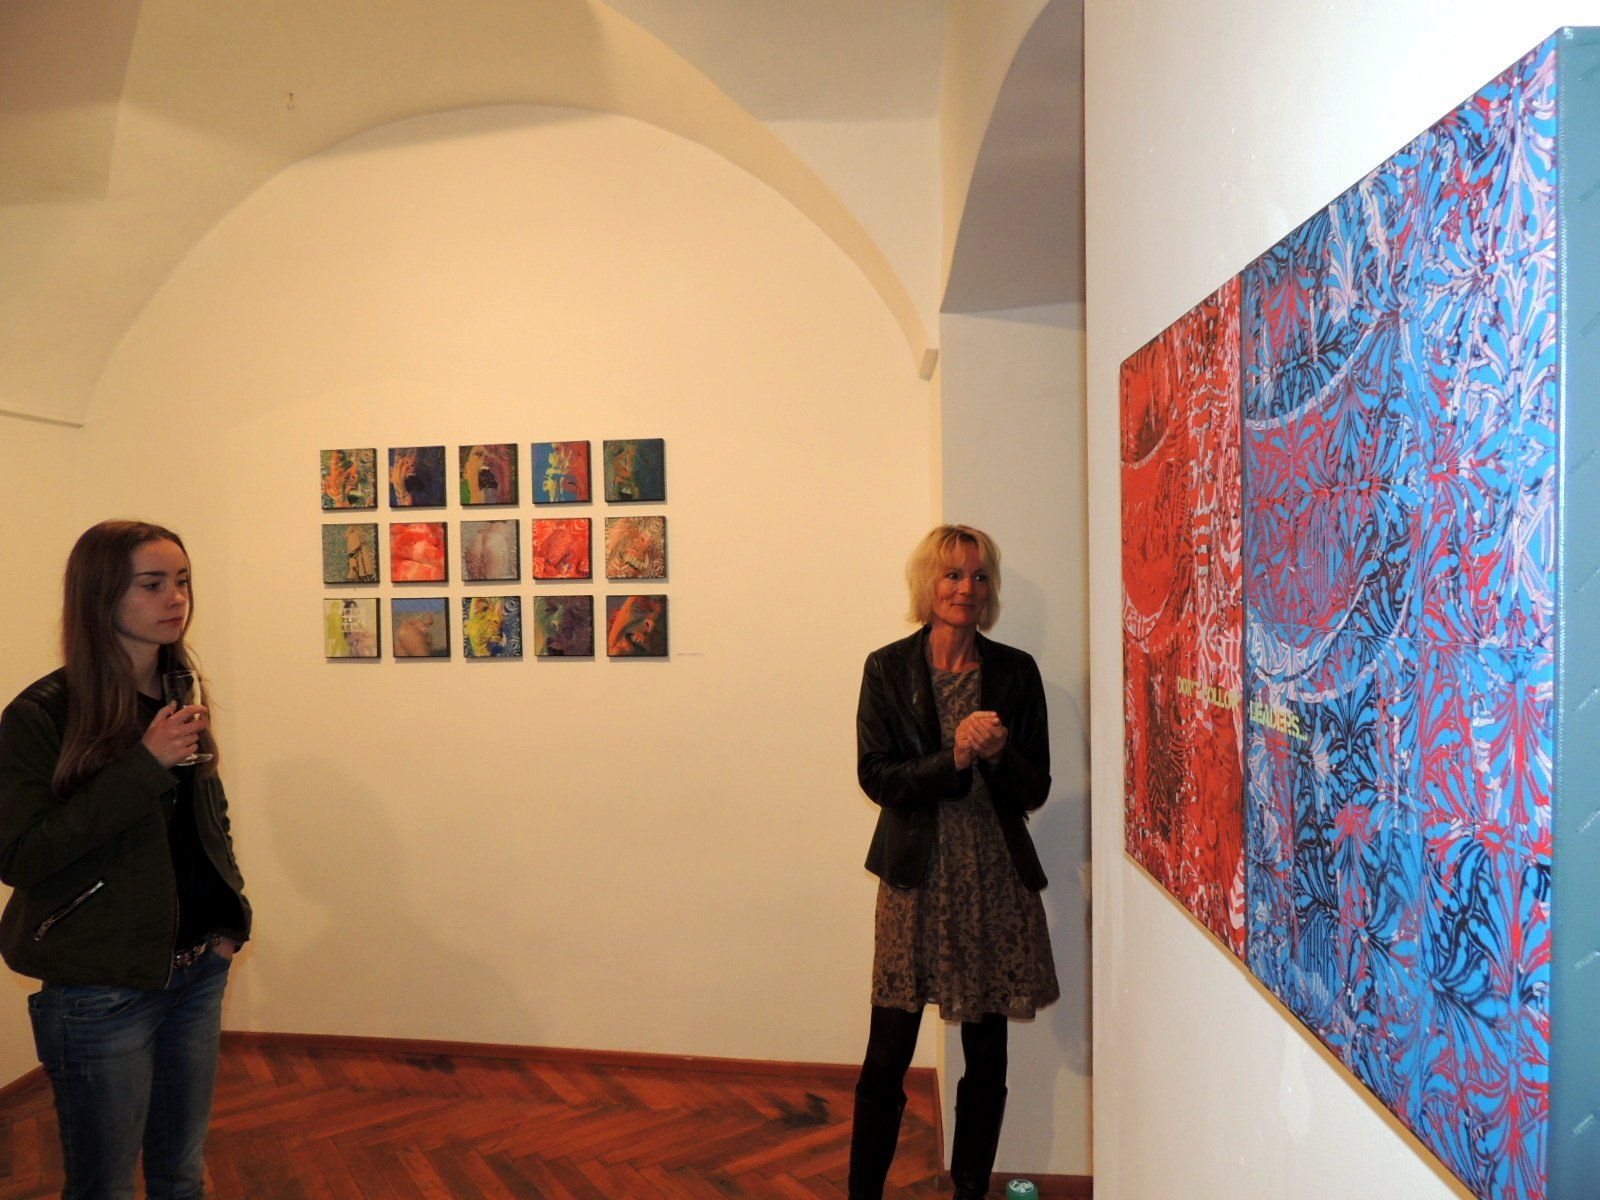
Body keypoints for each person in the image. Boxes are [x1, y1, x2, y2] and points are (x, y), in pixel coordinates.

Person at [0, 520, 252, 1200]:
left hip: (197, 971)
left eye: (182, 581)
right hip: (100, 988)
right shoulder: (42, 714)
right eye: (152, 584)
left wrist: (230, 917)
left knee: (181, 1174)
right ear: (101, 594)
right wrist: (144, 764)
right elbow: (22, 855)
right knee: (104, 1185)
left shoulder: (179, 690)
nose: (176, 598)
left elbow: (208, 814)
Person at [849, 524, 1057, 1200]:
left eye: (979, 576)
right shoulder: (887, 668)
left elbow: (1035, 788)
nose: (967, 588)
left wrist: (997, 754)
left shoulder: (1017, 671)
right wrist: (956, 757)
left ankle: (970, 1190)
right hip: (915, 880)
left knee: (987, 1056)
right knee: (887, 1056)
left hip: (994, 881)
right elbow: (877, 777)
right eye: (953, 575)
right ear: (928, 584)